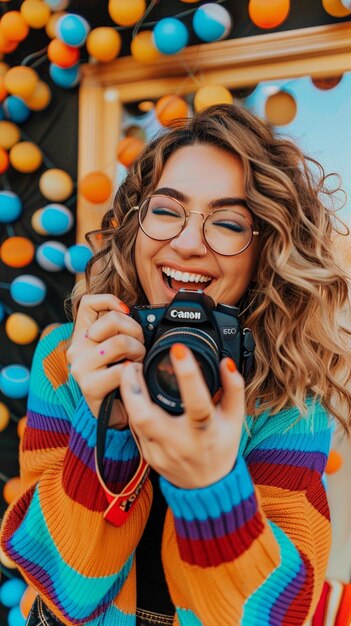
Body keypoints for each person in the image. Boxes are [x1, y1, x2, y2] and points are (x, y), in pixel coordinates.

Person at [1, 103, 351, 626]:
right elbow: (66, 592)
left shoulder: (287, 394)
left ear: (265, 249)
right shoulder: (71, 354)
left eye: (228, 222)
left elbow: (269, 617)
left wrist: (210, 485)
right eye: (166, 211)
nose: (187, 244)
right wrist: (108, 427)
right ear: (137, 225)